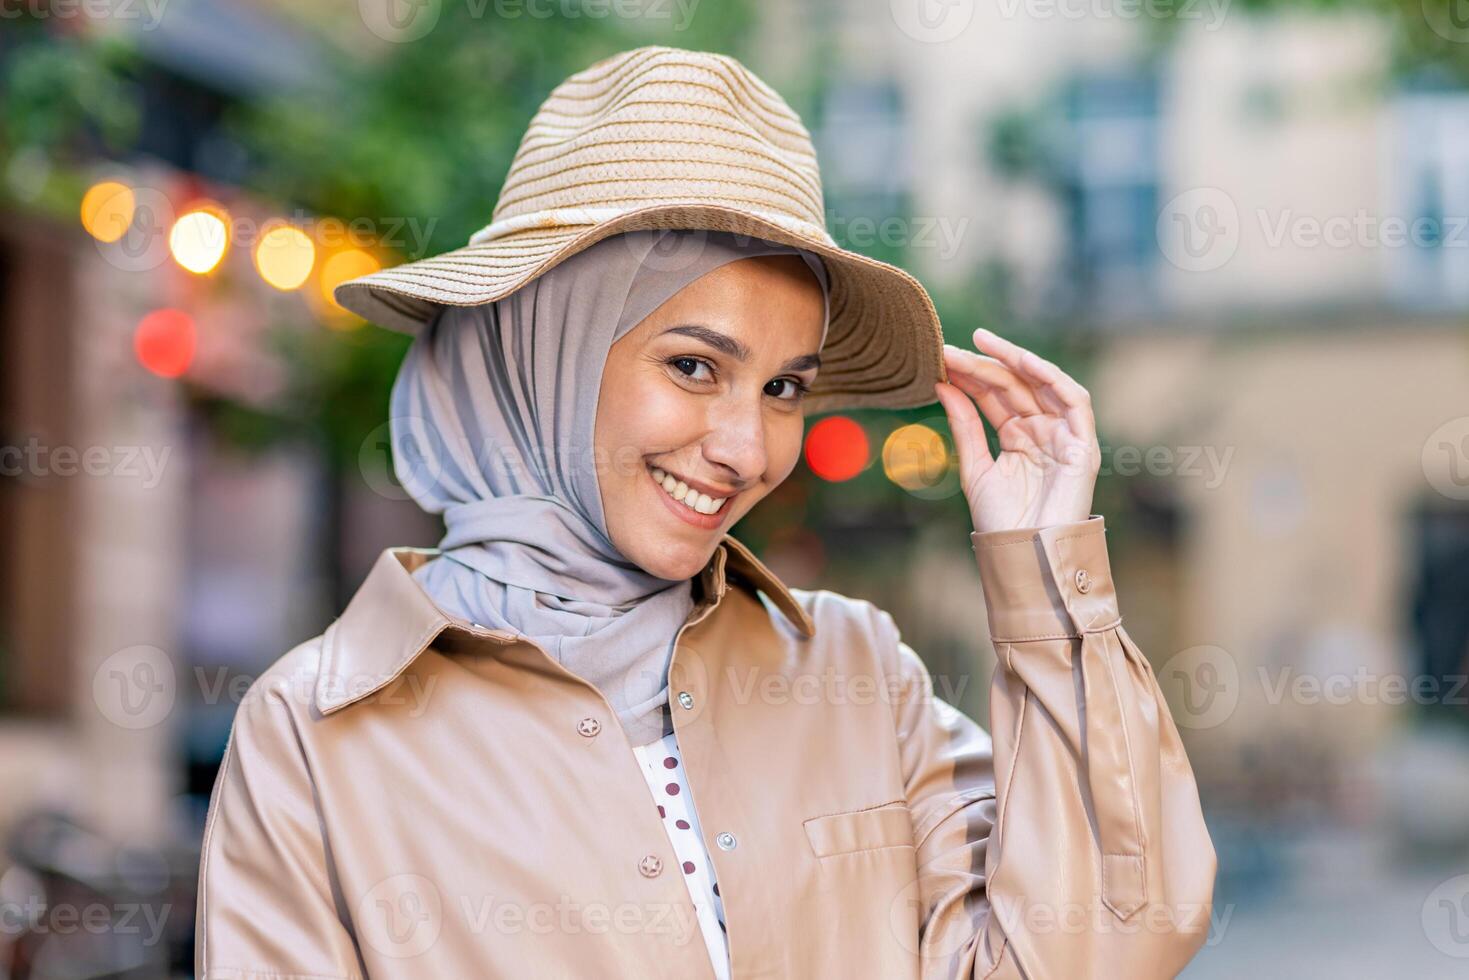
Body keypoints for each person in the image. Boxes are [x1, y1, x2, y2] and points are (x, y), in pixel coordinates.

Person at [195, 46, 1216, 979]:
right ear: (543, 355)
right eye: (693, 365)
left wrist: (1043, 581)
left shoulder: (856, 672)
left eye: (782, 388)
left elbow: (1106, 945)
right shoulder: (314, 733)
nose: (746, 448)